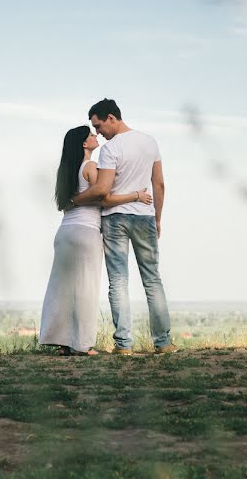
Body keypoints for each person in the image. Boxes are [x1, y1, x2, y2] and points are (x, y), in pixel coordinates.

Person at [72, 99, 176, 355]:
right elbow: (159, 185)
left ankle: (124, 345)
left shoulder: (110, 149)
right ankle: (163, 343)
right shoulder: (149, 142)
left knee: (118, 281)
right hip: (144, 217)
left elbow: (104, 192)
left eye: (99, 126)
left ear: (111, 118)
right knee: (152, 280)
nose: (98, 133)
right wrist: (157, 218)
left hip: (115, 218)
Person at [39, 125, 152, 356]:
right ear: (84, 143)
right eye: (91, 135)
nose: (95, 136)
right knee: (85, 289)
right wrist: (137, 195)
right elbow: (104, 196)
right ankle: (83, 344)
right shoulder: (90, 166)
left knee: (62, 288)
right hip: (86, 232)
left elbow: (67, 203)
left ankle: (63, 343)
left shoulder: (66, 171)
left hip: (64, 233)